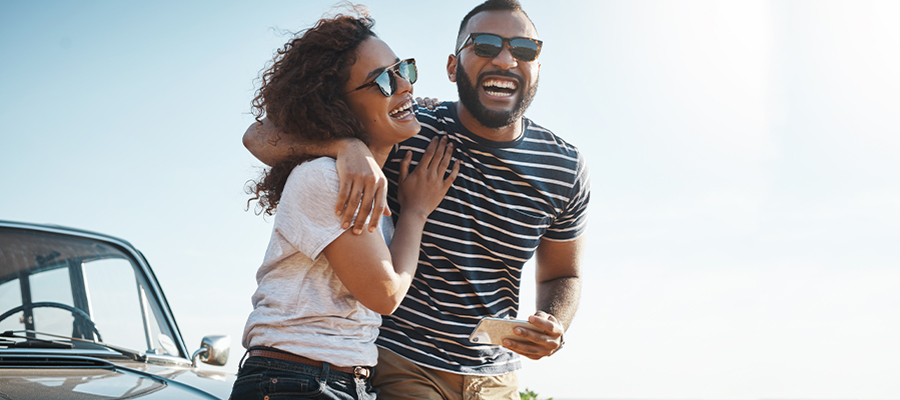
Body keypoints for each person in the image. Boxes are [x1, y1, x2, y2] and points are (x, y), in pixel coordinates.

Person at [243, 1, 590, 399]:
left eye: (525, 50)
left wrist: (554, 325)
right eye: (486, 45)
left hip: (496, 376)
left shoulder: (565, 167)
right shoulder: (408, 127)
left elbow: (564, 275)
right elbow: (260, 136)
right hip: (397, 363)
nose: (506, 60)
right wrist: (345, 146)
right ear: (452, 66)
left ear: (538, 68)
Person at [231, 9, 459, 400]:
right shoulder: (326, 177)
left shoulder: (358, 176)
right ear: (339, 106)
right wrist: (416, 213)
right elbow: (384, 294)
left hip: (326, 380)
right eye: (383, 81)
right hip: (296, 380)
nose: (404, 86)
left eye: (403, 70)